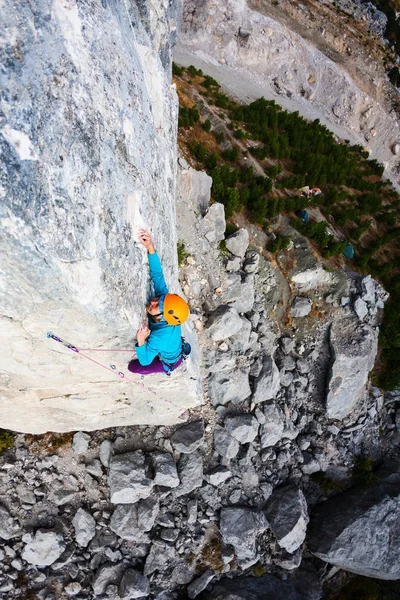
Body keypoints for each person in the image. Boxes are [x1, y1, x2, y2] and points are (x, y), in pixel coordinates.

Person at [128, 230, 190, 375]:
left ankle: (165, 368)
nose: (153, 301)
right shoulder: (166, 304)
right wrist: (150, 247)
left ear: (163, 317)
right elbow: (157, 275)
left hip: (170, 361)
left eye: (157, 306)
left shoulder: (160, 336)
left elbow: (145, 361)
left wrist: (141, 340)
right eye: (158, 300)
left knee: (133, 367)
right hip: (171, 346)